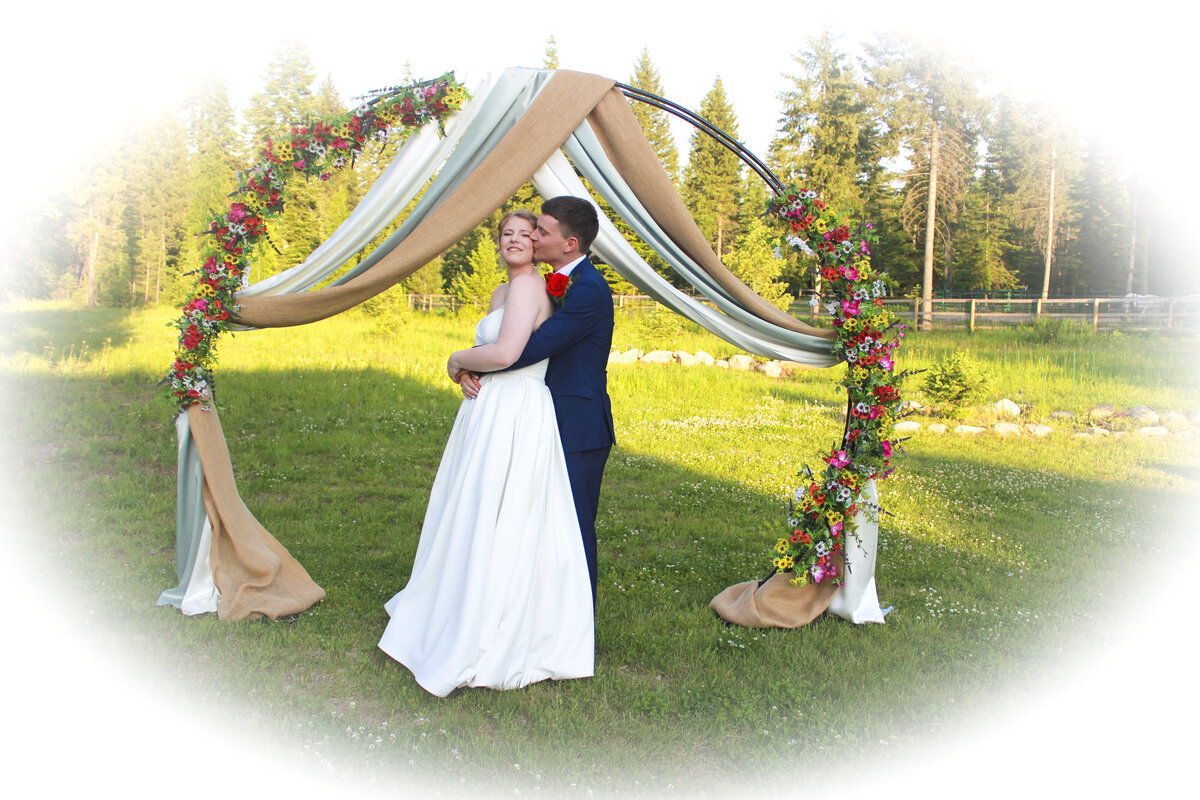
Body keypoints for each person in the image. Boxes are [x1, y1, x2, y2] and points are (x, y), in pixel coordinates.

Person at [377, 210, 594, 696]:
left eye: (526, 234)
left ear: (539, 244)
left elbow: (506, 353)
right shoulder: (504, 291)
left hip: (514, 410)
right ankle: (456, 598)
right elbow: (495, 352)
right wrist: (472, 375)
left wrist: (456, 362)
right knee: (476, 509)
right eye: (507, 234)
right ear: (497, 244)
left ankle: (486, 620)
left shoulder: (529, 287)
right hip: (489, 408)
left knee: (503, 511)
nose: (516, 240)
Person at [459, 196, 615, 603]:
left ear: (569, 243)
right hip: (536, 416)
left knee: (574, 525)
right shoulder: (550, 283)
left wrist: (466, 363)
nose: (534, 237)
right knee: (534, 522)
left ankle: (579, 623)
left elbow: (531, 347)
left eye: (542, 232)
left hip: (577, 424)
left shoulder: (590, 291)